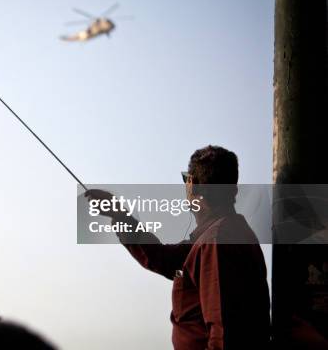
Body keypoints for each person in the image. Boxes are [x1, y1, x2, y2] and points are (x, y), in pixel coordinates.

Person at [86, 145, 270, 349]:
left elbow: (225, 333)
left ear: (192, 185)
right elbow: (163, 258)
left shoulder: (217, 239)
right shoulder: (217, 236)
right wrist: (120, 215)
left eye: (186, 179)